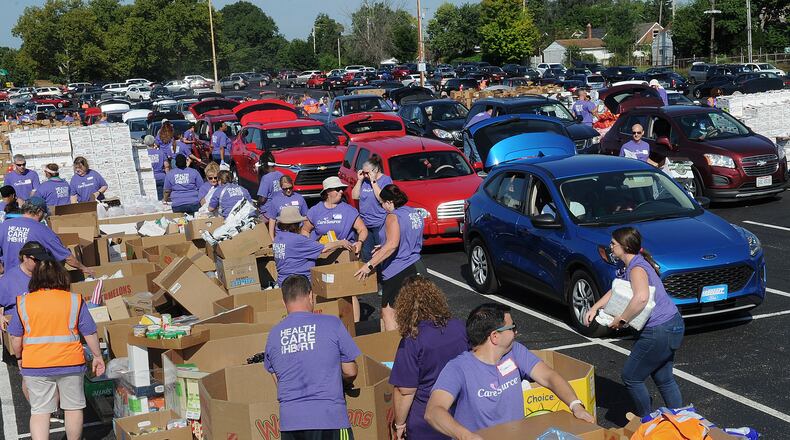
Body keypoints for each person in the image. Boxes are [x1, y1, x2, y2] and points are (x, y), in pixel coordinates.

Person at [425, 303, 594, 437]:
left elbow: (549, 376)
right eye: (512, 327)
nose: (516, 331)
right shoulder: (458, 368)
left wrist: (576, 406)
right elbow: (433, 411)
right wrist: (466, 436)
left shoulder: (515, 352)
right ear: (494, 336)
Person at [585, 227, 684, 417]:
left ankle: (646, 420)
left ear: (625, 246)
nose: (611, 248)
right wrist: (594, 307)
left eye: (613, 244)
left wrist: (621, 320)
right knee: (663, 377)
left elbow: (640, 298)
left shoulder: (637, 268)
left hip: (659, 330)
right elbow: (617, 289)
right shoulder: (630, 265)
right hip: (671, 325)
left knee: (631, 376)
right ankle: (680, 420)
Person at [7, 253, 105, 440]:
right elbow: (90, 332)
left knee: (40, 412)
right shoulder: (74, 300)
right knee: (73, 408)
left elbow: (16, 338)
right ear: (62, 276)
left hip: (36, 365)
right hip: (70, 363)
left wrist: (19, 358)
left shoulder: (24, 302)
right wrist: (98, 356)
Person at [264, 275, 360, 440]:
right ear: (310, 295)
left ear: (284, 302)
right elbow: (350, 371)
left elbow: (278, 380)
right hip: (329, 418)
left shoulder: (274, 335)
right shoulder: (332, 324)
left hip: (291, 422)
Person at [389, 276, 468, 440]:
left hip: (426, 422)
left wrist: (399, 424)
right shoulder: (459, 327)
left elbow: (405, 391)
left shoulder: (412, 340)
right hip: (461, 413)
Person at [354, 184, 425, 331]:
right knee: (415, 311)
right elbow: (406, 237)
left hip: (398, 270)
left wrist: (369, 265)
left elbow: (392, 245)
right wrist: (384, 245)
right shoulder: (414, 213)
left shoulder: (393, 217)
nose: (382, 207)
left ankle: (394, 349)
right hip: (417, 264)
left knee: (389, 313)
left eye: (382, 203)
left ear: (389, 202)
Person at [0, 198, 91, 275]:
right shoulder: (43, 230)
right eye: (44, 213)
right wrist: (84, 268)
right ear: (39, 212)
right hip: (33, 281)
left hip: (10, 278)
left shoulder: (5, 225)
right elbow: (67, 257)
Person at [272, 206, 354, 286]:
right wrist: (341, 242)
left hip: (283, 281)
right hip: (299, 283)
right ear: (295, 224)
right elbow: (324, 248)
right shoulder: (297, 240)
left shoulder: (277, 238)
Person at [303, 176, 367, 254]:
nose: (341, 191)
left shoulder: (349, 210)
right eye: (337, 189)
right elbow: (305, 230)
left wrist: (360, 242)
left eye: (342, 189)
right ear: (327, 192)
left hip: (344, 254)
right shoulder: (314, 211)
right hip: (320, 255)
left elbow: (362, 229)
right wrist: (308, 246)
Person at [351, 155, 392, 262]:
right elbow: (355, 196)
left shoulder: (385, 180)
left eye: (367, 172)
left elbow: (381, 198)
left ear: (376, 169)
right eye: (363, 172)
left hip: (380, 224)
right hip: (366, 225)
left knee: (381, 255)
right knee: (367, 256)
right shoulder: (364, 181)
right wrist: (359, 180)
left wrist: (373, 181)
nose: (365, 175)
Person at [0, 241, 46, 325]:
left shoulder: (47, 275)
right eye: (36, 259)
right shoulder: (8, 280)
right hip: (20, 332)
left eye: (42, 259)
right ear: (25, 258)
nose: (40, 263)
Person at [265, 175, 307, 240]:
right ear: (281, 187)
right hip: (282, 235)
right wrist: (272, 238)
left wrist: (305, 235)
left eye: (290, 188)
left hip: (297, 234)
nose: (288, 190)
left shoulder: (299, 198)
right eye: (285, 189)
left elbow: (305, 217)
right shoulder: (275, 200)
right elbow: (272, 220)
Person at [145, 134, 171, 200]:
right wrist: (168, 177)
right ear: (154, 142)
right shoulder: (160, 152)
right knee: (162, 197)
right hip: (161, 177)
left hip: (149, 177)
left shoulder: (144, 154)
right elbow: (166, 166)